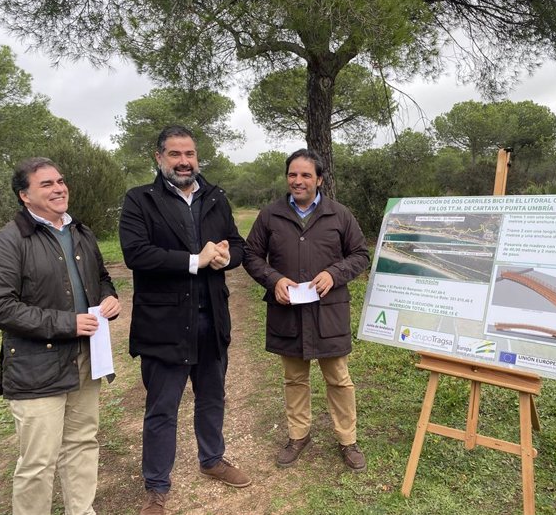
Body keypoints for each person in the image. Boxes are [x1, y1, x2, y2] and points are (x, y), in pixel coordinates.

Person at [119, 125, 250, 515]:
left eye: (189, 153)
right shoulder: (140, 200)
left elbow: (237, 243)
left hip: (212, 318)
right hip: (164, 325)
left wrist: (229, 257)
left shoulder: (215, 197)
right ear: (158, 158)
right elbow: (137, 255)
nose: (183, 161)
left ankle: (212, 460)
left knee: (212, 397)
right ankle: (157, 486)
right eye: (174, 154)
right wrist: (196, 261)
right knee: (162, 408)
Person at [0, 157, 122, 515]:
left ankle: (82, 510)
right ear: (24, 196)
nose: (59, 188)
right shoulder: (10, 240)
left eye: (61, 181)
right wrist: (67, 323)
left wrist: (109, 297)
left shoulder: (80, 231)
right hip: (35, 367)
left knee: (81, 443)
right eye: (47, 184)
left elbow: (102, 276)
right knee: (38, 461)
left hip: (85, 359)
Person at [244, 148, 370, 472]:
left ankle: (348, 440)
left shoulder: (340, 215)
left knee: (339, 379)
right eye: (292, 175)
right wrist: (273, 280)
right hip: (288, 313)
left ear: (319, 179)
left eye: (305, 175)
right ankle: (299, 435)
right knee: (294, 378)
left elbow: (360, 255)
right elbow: (251, 255)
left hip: (329, 314)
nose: (297, 181)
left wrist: (334, 274)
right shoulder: (270, 215)